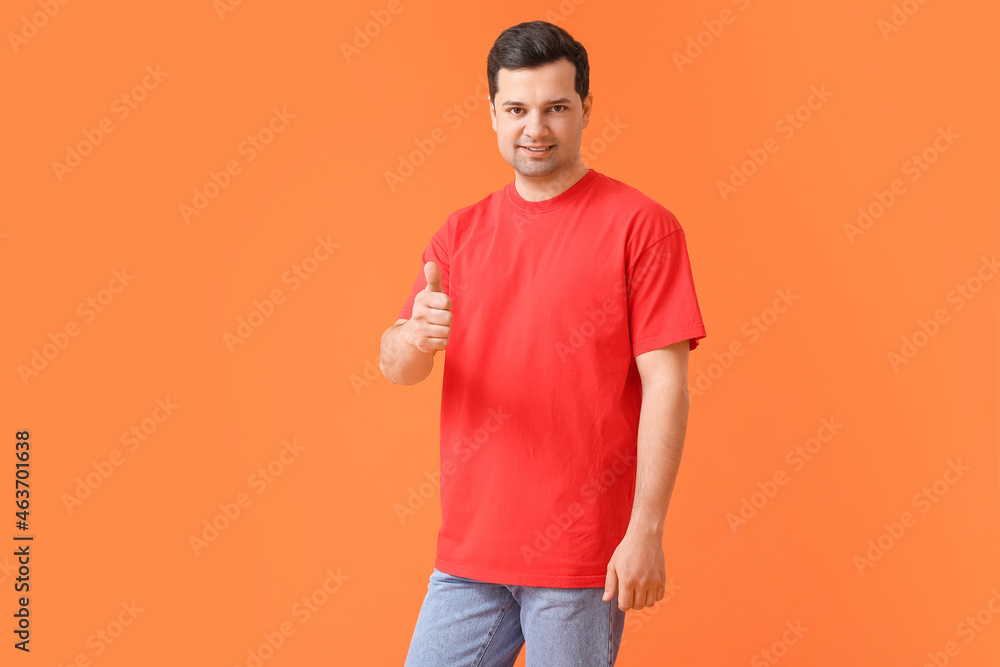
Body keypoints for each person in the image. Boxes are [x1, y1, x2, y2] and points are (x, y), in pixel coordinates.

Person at [380, 19, 707, 667]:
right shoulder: (460, 233)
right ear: (493, 115)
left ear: (585, 107)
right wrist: (413, 336)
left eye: (556, 107)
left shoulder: (642, 227)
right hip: (470, 552)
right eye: (517, 109)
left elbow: (667, 384)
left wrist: (645, 527)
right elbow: (398, 364)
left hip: (580, 557)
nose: (536, 126)